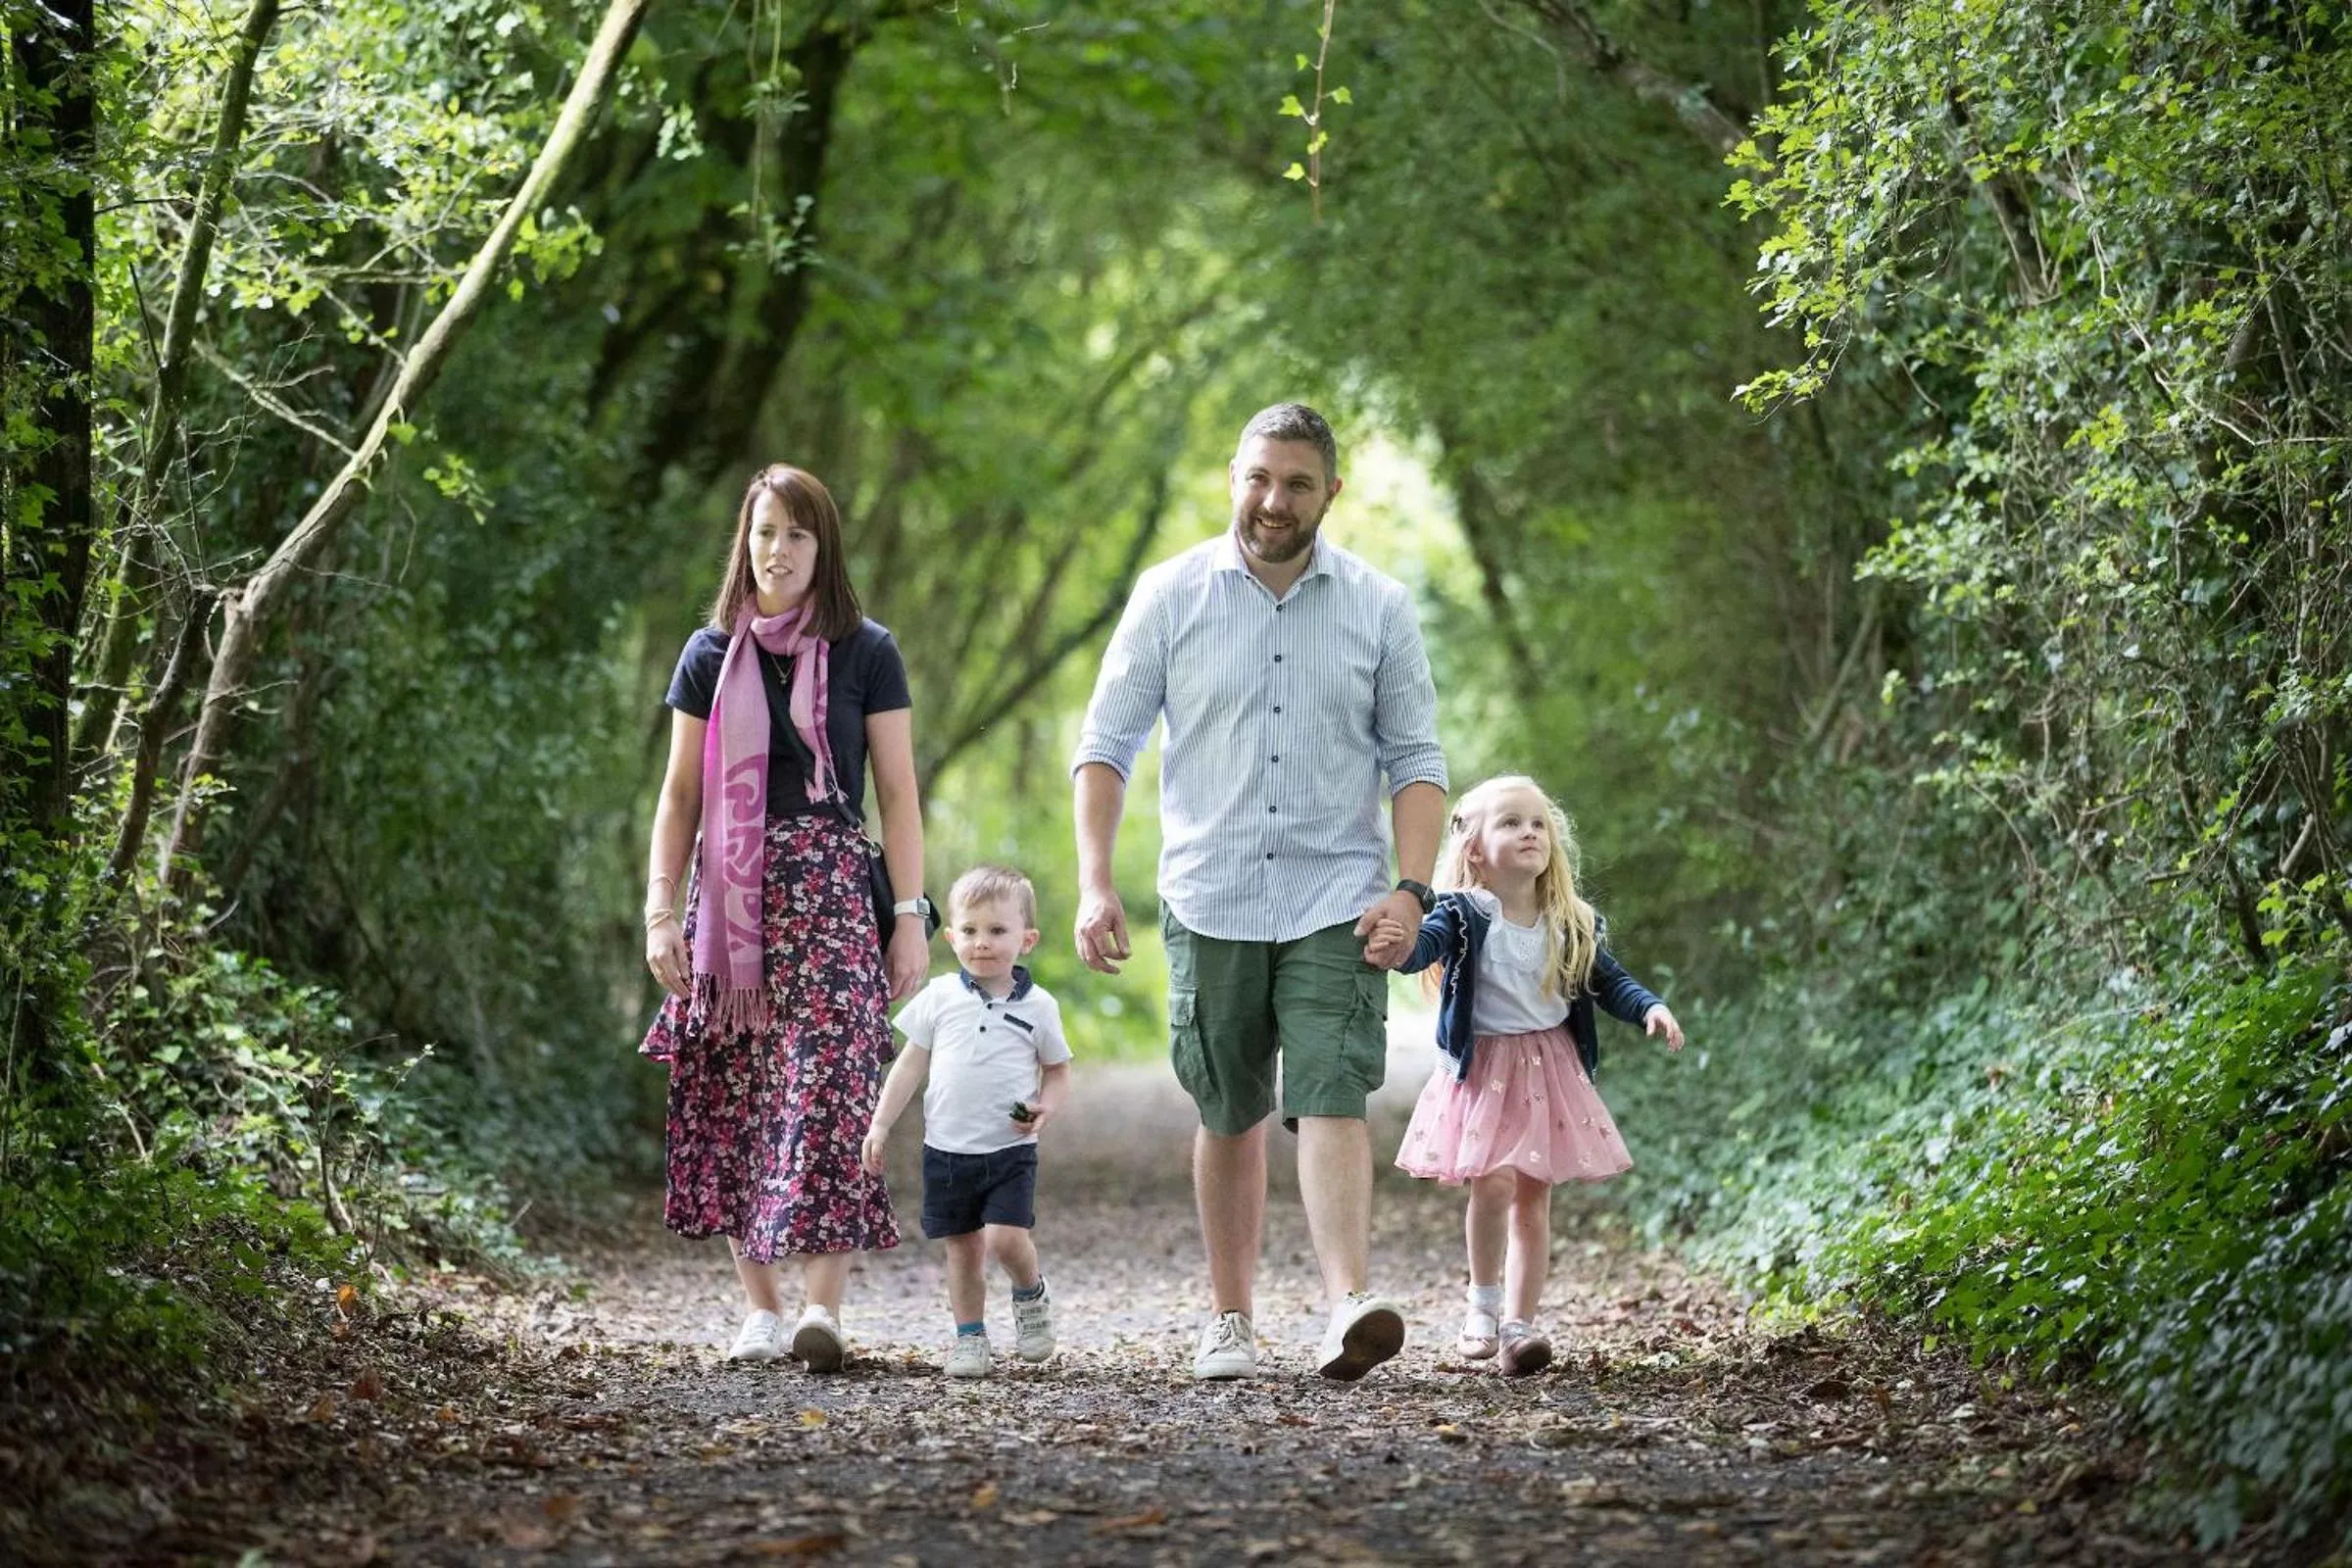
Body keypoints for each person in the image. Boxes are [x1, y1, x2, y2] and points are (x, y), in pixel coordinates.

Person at [1072, 402, 1448, 1383]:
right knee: (1229, 1110)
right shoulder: (1169, 595)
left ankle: (1347, 1304)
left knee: (1332, 1093)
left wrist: (1412, 891)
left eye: (1296, 483)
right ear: (1234, 478)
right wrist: (1094, 883)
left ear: (1331, 493)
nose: (1274, 500)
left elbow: (1416, 762)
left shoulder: (1378, 606)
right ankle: (1230, 1319)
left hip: (1338, 897)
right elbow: (1106, 746)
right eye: (1258, 478)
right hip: (1212, 895)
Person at [640, 463, 932, 1373]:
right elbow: (680, 795)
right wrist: (659, 911)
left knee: (832, 1092)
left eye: (798, 534)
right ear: (747, 541)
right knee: (739, 1094)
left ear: (823, 547)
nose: (779, 549)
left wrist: (911, 916)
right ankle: (760, 1309)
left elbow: (897, 793)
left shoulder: (867, 651)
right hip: (730, 906)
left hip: (833, 901)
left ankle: (822, 1310)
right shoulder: (708, 654)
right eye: (766, 531)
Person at [1383, 774, 1685, 1376]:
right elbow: (1422, 948)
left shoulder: (1570, 920)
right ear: (1475, 850)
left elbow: (1609, 981)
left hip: (1549, 1069)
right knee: (1493, 1183)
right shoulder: (1463, 913)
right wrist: (1397, 943)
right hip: (1485, 1069)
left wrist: (1649, 1006)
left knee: (1532, 1195)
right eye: (1511, 823)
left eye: (1538, 823)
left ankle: (1520, 1327)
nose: (1530, 833)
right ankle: (1482, 1306)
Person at [861, 864, 1074, 1379]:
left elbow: (1057, 1070)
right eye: (971, 930)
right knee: (962, 1249)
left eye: (998, 930)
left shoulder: (1039, 1007)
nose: (983, 942)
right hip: (947, 1150)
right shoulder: (939, 997)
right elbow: (909, 1065)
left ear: (1026, 939)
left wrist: (1047, 1107)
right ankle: (970, 1337)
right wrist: (880, 1124)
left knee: (1004, 1239)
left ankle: (1030, 1294)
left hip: (1009, 1148)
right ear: (952, 937)